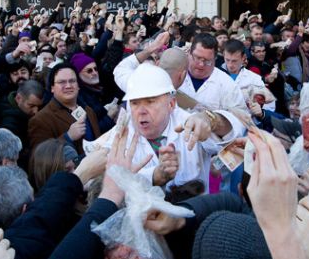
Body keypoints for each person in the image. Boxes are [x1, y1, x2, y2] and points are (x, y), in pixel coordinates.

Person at [99, 62, 244, 190]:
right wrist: (154, 177)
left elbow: (235, 136)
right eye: (135, 103)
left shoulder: (189, 123)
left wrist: (212, 120)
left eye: (150, 102)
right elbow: (107, 182)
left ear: (171, 104)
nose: (141, 111)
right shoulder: (121, 135)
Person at [28, 63, 100, 156]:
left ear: (78, 85)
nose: (68, 86)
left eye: (72, 81)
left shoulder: (88, 111)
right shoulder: (40, 119)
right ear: (52, 88)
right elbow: (38, 158)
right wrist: (68, 137)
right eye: (62, 82)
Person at [178, 34, 245, 112]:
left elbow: (241, 118)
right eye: (197, 58)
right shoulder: (174, 73)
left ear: (215, 59)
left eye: (207, 61)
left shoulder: (227, 84)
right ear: (189, 53)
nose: (201, 64)